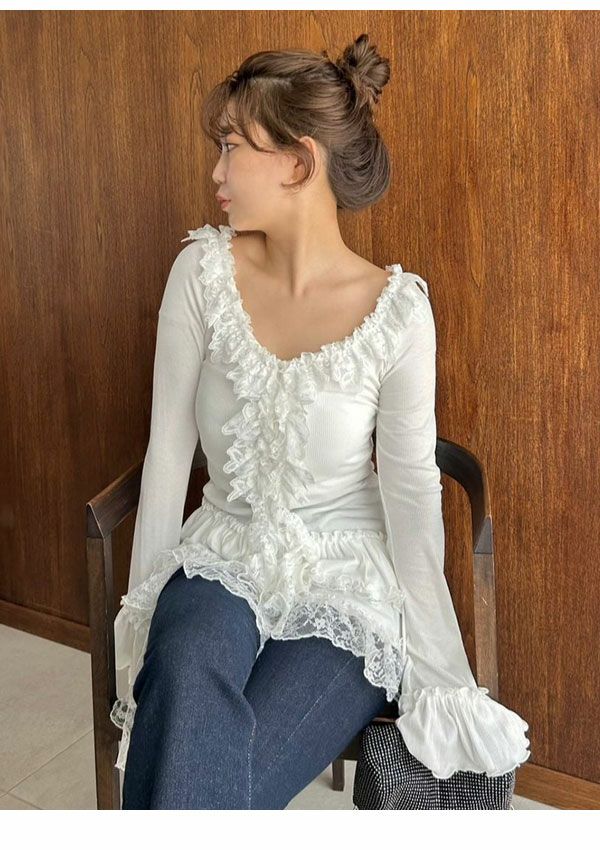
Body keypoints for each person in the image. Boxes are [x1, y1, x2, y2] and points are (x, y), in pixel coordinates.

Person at [111, 33, 531, 809]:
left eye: (231, 146)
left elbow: (411, 496)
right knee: (180, 671)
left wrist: (441, 674)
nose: (216, 172)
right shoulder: (200, 273)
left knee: (219, 772)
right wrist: (137, 629)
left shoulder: (397, 314)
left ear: (299, 162)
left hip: (347, 581)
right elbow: (167, 451)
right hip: (222, 554)